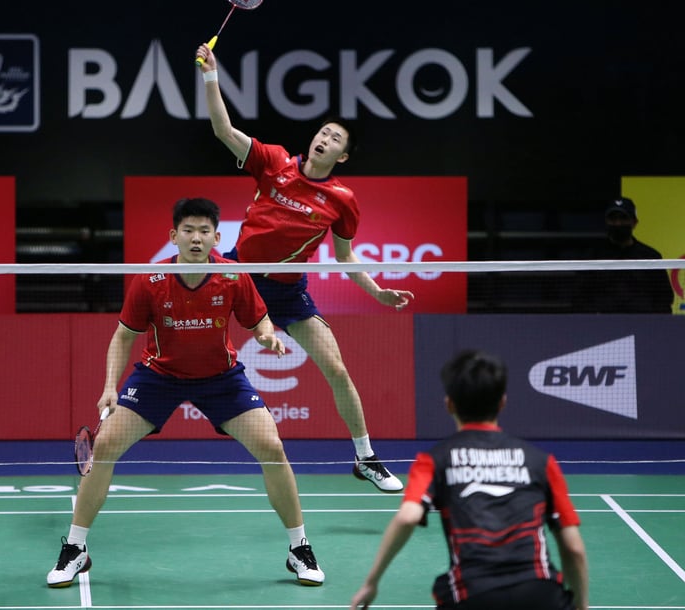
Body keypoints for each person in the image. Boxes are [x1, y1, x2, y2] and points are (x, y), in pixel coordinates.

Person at [46, 197, 324, 588]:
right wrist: (110, 386)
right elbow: (124, 336)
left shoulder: (232, 276)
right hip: (159, 376)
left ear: (216, 237)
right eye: (189, 231)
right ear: (173, 236)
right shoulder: (149, 279)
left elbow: (259, 320)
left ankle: (300, 549)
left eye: (204, 231)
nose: (197, 238)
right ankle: (75, 549)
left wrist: (267, 337)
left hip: (220, 378)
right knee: (105, 446)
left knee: (273, 448)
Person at [196, 44, 415, 493]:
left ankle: (366, 457)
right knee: (187, 334)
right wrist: (210, 77)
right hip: (240, 274)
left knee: (336, 368)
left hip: (288, 289)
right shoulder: (274, 161)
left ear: (343, 156)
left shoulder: (342, 200)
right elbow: (222, 129)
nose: (325, 138)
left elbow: (345, 257)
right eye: (324, 131)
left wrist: (379, 293)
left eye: (336, 138)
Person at [349, 350, 589, 610]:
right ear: (503, 403)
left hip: (473, 593)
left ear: (449, 404)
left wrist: (372, 582)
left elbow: (407, 517)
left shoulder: (434, 460)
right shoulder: (541, 461)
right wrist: (582, 606)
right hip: (540, 593)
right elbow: (574, 550)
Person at [572, 196, 673, 313]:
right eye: (613, 219)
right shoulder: (592, 256)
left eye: (623, 218)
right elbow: (578, 297)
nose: (618, 223)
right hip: (602, 324)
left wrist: (651, 321)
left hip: (642, 324)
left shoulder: (650, 256)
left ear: (634, 222)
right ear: (606, 222)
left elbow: (664, 297)